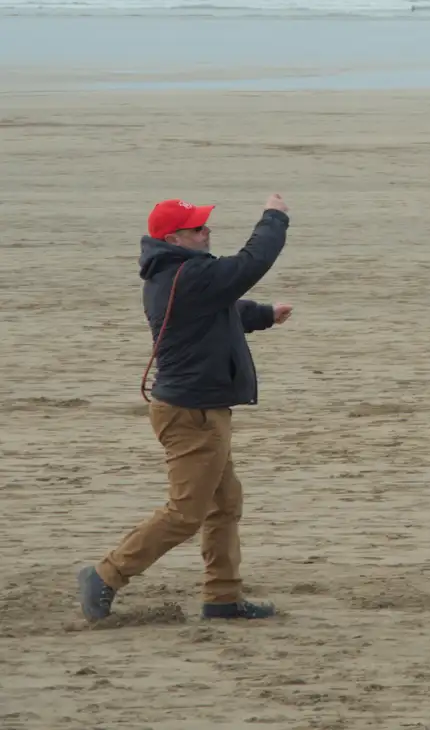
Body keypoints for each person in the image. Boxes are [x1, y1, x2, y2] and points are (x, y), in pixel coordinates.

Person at [77, 193, 293, 622]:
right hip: (191, 415)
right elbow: (250, 264)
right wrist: (275, 218)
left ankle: (222, 597)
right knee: (185, 513)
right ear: (174, 238)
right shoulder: (188, 275)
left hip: (200, 409)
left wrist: (265, 314)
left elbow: (222, 310)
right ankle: (106, 574)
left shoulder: (175, 275)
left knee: (225, 502)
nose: (206, 231)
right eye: (197, 228)